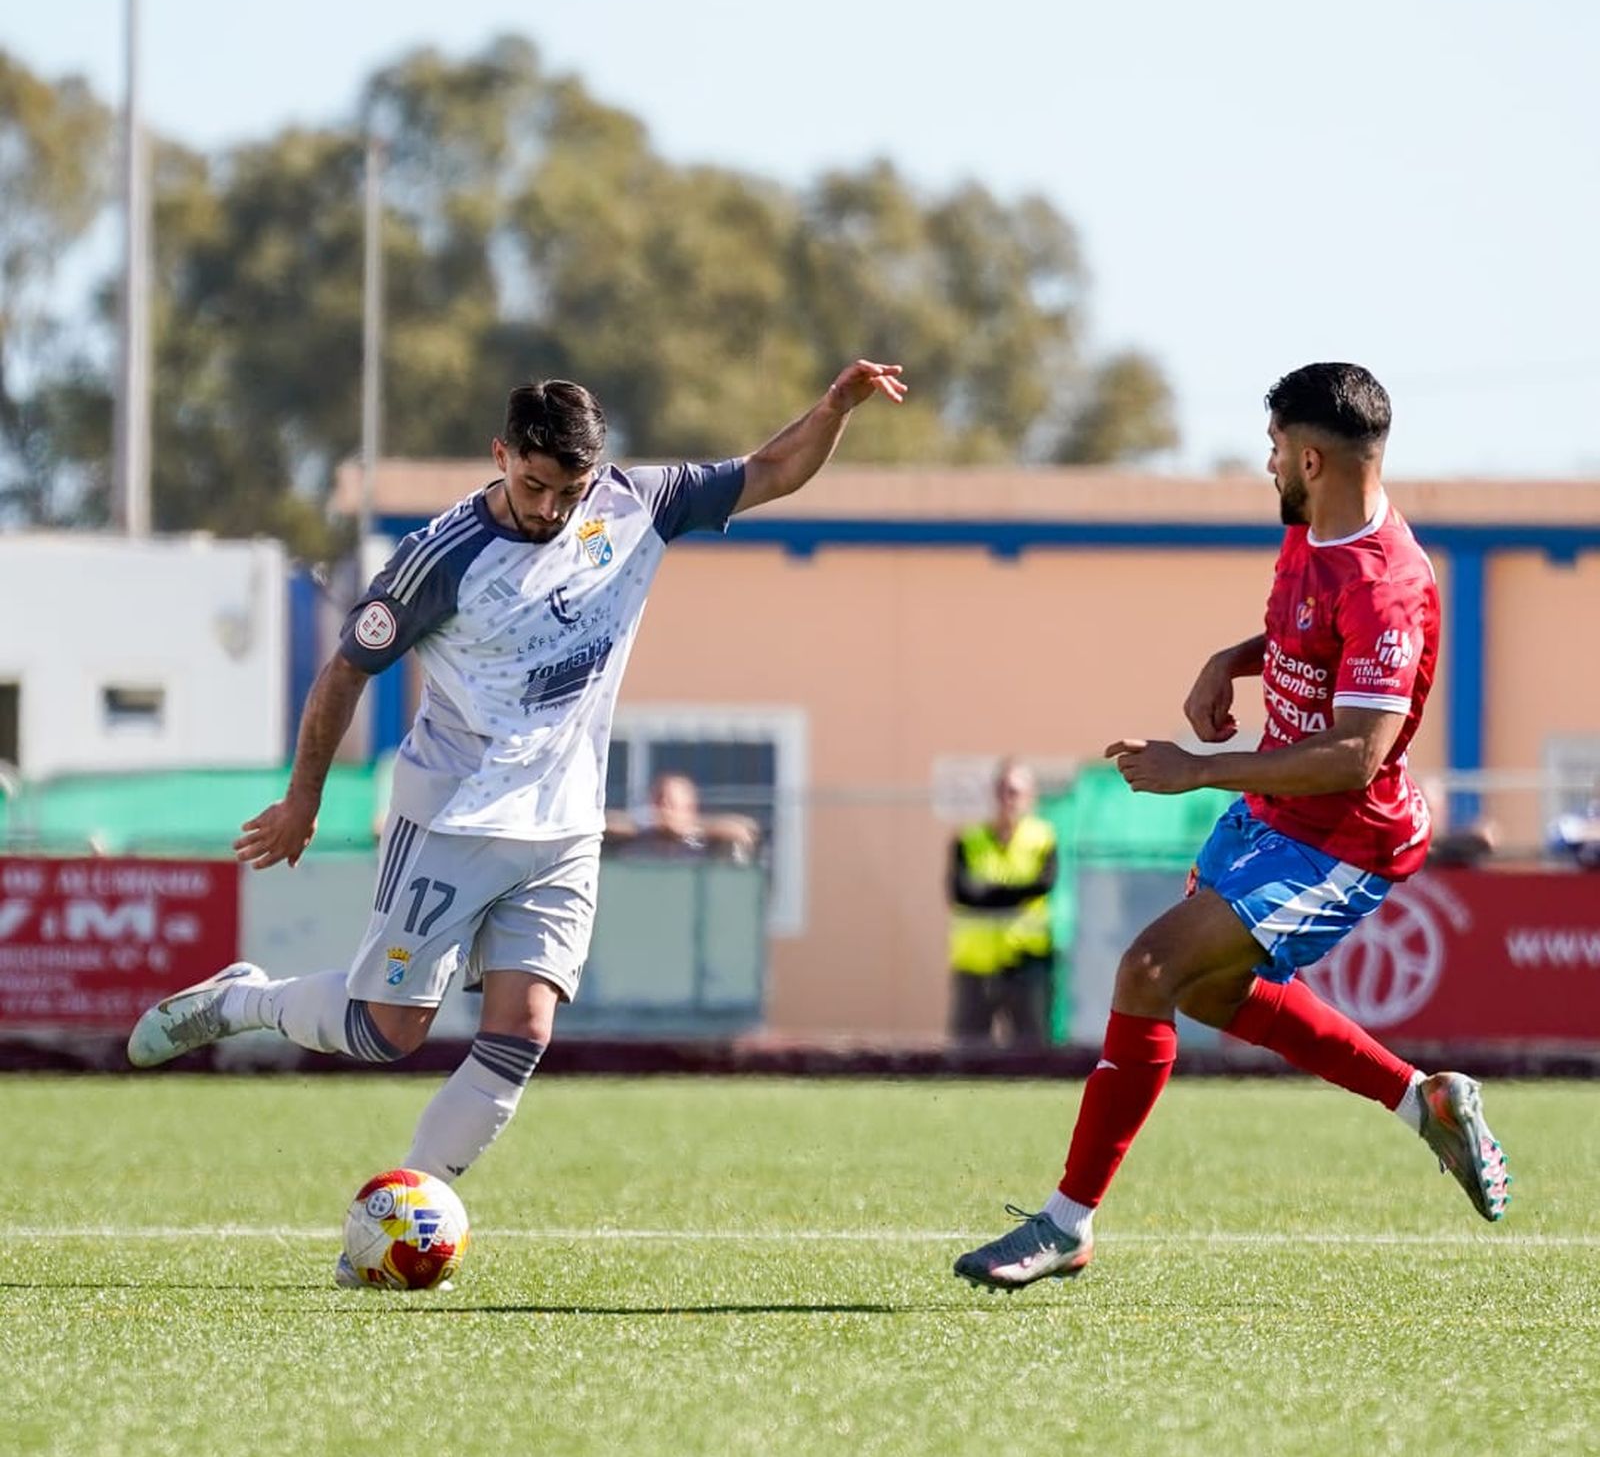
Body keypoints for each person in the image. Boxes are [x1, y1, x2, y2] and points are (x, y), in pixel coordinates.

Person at [128, 360, 906, 1275]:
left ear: (596, 474)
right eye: (533, 485)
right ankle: (242, 998)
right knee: (388, 1032)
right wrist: (306, 797)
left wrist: (833, 410)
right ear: (500, 456)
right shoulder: (439, 558)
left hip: (567, 825)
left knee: (524, 1030)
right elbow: (345, 669)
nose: (549, 507)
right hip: (453, 817)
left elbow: (769, 470)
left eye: (567, 490)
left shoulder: (635, 506)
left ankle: (389, 1235)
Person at [955, 361, 1511, 1291]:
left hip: (1341, 838)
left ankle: (1065, 1224)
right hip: (1272, 816)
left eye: (1271, 452)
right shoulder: (1312, 529)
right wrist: (1233, 660)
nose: (1266, 467)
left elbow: (1356, 757)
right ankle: (1427, 1103)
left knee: (1147, 967)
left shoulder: (1390, 584)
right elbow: (1303, 634)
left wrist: (1194, 772)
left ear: (1309, 458)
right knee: (1205, 996)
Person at [947, 758, 1058, 1046]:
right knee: (968, 1047)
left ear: (1030, 797)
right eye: (1002, 791)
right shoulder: (968, 840)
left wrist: (988, 892)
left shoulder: (1042, 838)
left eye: (1015, 792)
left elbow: (1042, 886)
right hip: (976, 962)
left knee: (1030, 1047)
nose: (1008, 800)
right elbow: (961, 893)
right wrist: (1015, 892)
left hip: (1027, 960)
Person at [604, 770, 761, 863]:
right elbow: (602, 826)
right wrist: (644, 825)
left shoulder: (702, 840)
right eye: (659, 802)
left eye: (670, 804)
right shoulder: (638, 835)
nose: (664, 810)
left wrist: (686, 827)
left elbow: (744, 831)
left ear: (689, 807)